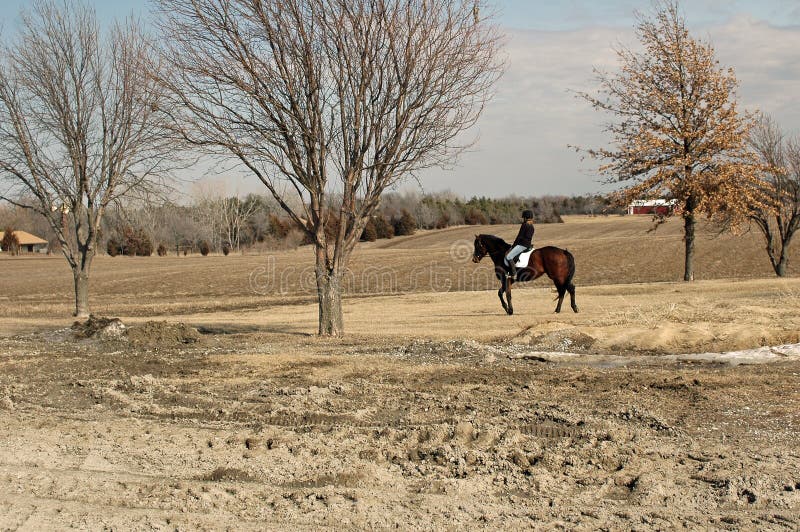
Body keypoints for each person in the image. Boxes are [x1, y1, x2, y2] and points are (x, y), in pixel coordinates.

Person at [505, 209, 534, 280]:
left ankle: (514, 274)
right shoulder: (532, 226)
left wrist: (513, 246)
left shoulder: (524, 225)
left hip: (522, 245)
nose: (523, 219)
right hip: (528, 245)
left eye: (523, 217)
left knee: (509, 257)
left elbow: (519, 236)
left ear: (525, 217)